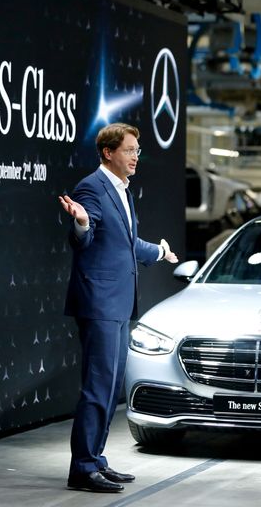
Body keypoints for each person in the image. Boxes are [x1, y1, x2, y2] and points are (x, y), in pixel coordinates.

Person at [58, 123, 178, 493]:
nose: (136, 157)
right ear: (108, 153)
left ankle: (96, 459)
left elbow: (126, 243)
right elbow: (87, 234)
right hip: (99, 302)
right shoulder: (91, 187)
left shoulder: (122, 190)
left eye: (138, 151)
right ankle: (82, 467)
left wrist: (159, 251)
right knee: (98, 386)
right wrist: (80, 223)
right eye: (129, 150)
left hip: (119, 303)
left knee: (110, 388)